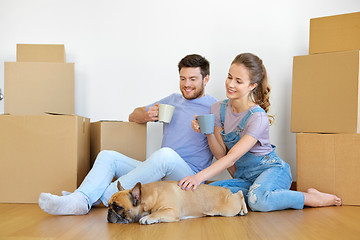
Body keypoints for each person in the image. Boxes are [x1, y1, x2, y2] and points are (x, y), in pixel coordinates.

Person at [38, 54, 217, 215]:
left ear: (206, 79)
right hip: (157, 169)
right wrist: (146, 116)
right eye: (183, 78)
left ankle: (94, 198)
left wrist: (207, 131)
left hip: (188, 177)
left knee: (165, 155)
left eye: (193, 79)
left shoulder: (215, 107)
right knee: (108, 156)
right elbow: (133, 116)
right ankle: (82, 198)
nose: (186, 84)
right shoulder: (172, 101)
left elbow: (222, 151)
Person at [178, 53, 342, 212]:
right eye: (229, 77)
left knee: (259, 201)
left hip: (272, 171)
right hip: (245, 178)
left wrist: (198, 177)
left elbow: (231, 158)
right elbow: (221, 154)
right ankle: (255, 193)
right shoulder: (218, 109)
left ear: (252, 86)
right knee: (208, 191)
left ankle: (310, 198)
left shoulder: (257, 117)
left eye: (238, 81)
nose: (231, 84)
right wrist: (207, 132)